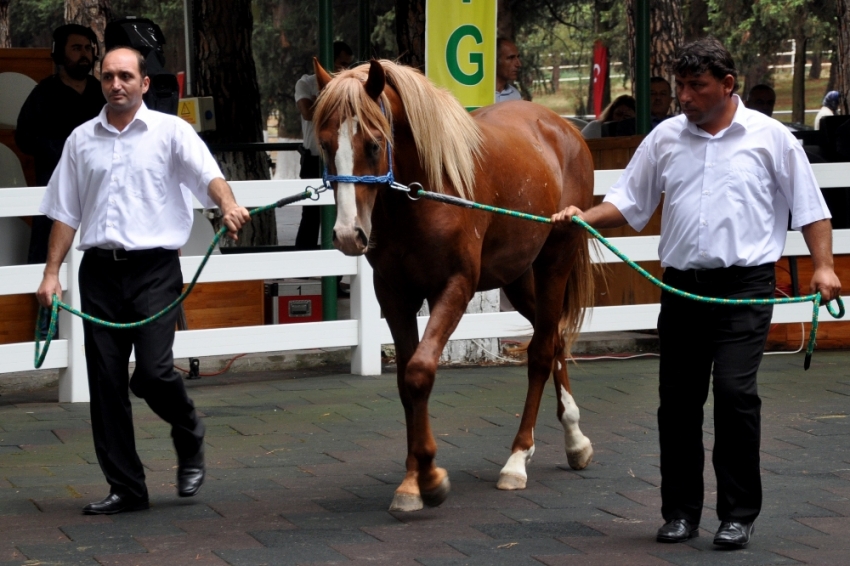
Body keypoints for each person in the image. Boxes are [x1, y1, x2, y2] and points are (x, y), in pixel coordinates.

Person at [553, 37, 840, 549]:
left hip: (744, 288)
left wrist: (823, 268)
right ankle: (681, 512)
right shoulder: (665, 138)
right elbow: (629, 202)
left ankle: (737, 514)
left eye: (695, 86)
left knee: (735, 395)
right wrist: (582, 220)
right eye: (680, 85)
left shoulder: (772, 139)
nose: (682, 96)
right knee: (678, 403)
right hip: (682, 288)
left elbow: (811, 208)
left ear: (726, 86)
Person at [35, 47, 251, 515]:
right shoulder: (80, 140)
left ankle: (188, 430)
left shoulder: (171, 132)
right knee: (107, 384)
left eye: (126, 76)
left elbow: (208, 176)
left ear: (144, 83)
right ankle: (127, 489)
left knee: (153, 373)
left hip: (154, 269)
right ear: (101, 80)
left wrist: (228, 204)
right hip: (98, 274)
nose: (117, 84)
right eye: (109, 76)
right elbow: (65, 213)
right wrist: (51, 273)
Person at [16, 24, 105, 264]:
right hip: (54, 191)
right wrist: (59, 150)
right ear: (59, 53)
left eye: (88, 48)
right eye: (76, 48)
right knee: (48, 262)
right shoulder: (44, 94)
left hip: (98, 193)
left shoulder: (102, 94)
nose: (84, 54)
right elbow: (24, 137)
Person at [294, 41, 354, 251]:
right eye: (342, 64)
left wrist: (319, 100)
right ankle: (304, 264)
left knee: (340, 210)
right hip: (313, 156)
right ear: (330, 61)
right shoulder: (306, 83)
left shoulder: (349, 86)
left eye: (348, 65)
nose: (345, 70)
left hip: (340, 158)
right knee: (311, 213)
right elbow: (307, 113)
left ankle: (335, 272)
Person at [496, 38, 522, 102]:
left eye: (518, 57)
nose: (518, 64)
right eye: (511, 58)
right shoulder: (478, 94)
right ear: (495, 60)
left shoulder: (515, 95)